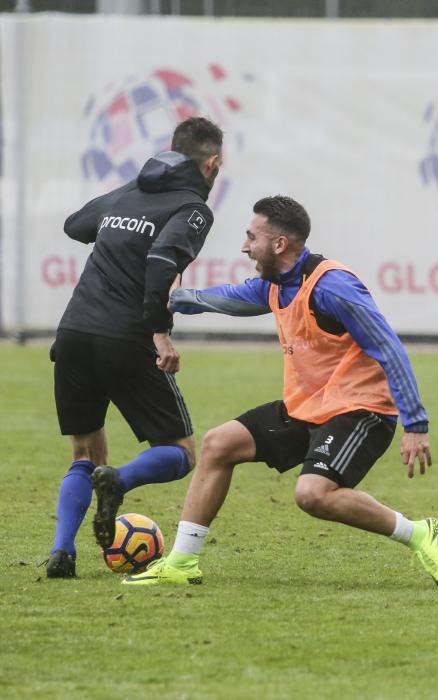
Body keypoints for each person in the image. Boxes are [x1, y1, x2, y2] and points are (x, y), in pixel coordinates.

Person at [121, 194, 438, 590]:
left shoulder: (333, 287)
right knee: (218, 444)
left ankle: (419, 533)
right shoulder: (275, 285)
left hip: (360, 410)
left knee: (312, 494)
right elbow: (226, 299)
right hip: (308, 408)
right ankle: (181, 562)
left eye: (251, 237)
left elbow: (389, 348)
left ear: (279, 244)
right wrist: (177, 298)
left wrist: (415, 423)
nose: (245, 246)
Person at [45, 117, 223, 578]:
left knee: (84, 452)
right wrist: (160, 332)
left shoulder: (130, 191)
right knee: (182, 450)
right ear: (213, 163)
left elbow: (75, 225)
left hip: (74, 333)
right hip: (126, 337)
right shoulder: (193, 206)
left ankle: (62, 553)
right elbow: (164, 260)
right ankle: (118, 481)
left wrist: (123, 221)